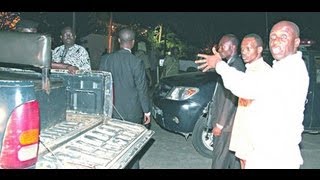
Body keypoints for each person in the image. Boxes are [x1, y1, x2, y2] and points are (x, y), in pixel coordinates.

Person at [196, 21, 309, 169]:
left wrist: (218, 64)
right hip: (263, 150)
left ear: (296, 42)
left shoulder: (290, 71)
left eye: (283, 36)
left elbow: (245, 86)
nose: (276, 41)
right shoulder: (281, 67)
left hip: (275, 156)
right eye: (273, 36)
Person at [99, 28, 151, 169]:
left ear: (119, 41)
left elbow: (101, 85)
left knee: (112, 144)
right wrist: (147, 111)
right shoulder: (136, 62)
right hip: (132, 112)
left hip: (111, 110)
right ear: (133, 43)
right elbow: (142, 89)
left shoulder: (106, 59)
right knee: (131, 146)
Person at [228, 33, 272, 169]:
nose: (244, 53)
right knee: (243, 161)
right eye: (242, 49)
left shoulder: (263, 71)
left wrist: (219, 66)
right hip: (244, 127)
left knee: (250, 162)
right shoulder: (250, 69)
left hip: (254, 130)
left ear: (259, 50)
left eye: (248, 48)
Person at [208, 34, 245, 169]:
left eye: (223, 46)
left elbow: (231, 98)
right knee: (231, 161)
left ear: (233, 47)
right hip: (229, 125)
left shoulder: (236, 66)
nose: (220, 49)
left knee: (219, 160)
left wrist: (220, 124)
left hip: (226, 126)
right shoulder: (230, 64)